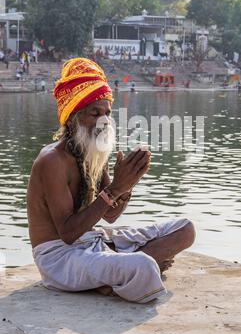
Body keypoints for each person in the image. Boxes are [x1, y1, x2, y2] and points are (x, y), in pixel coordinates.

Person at [27, 58, 195, 304]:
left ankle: (115, 274)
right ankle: (129, 268)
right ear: (73, 118)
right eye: (94, 113)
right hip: (60, 258)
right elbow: (68, 233)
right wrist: (116, 187)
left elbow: (111, 216)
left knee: (185, 229)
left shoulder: (95, 150)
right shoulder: (51, 161)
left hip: (93, 241)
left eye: (107, 113)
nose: (103, 121)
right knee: (144, 266)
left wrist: (126, 187)